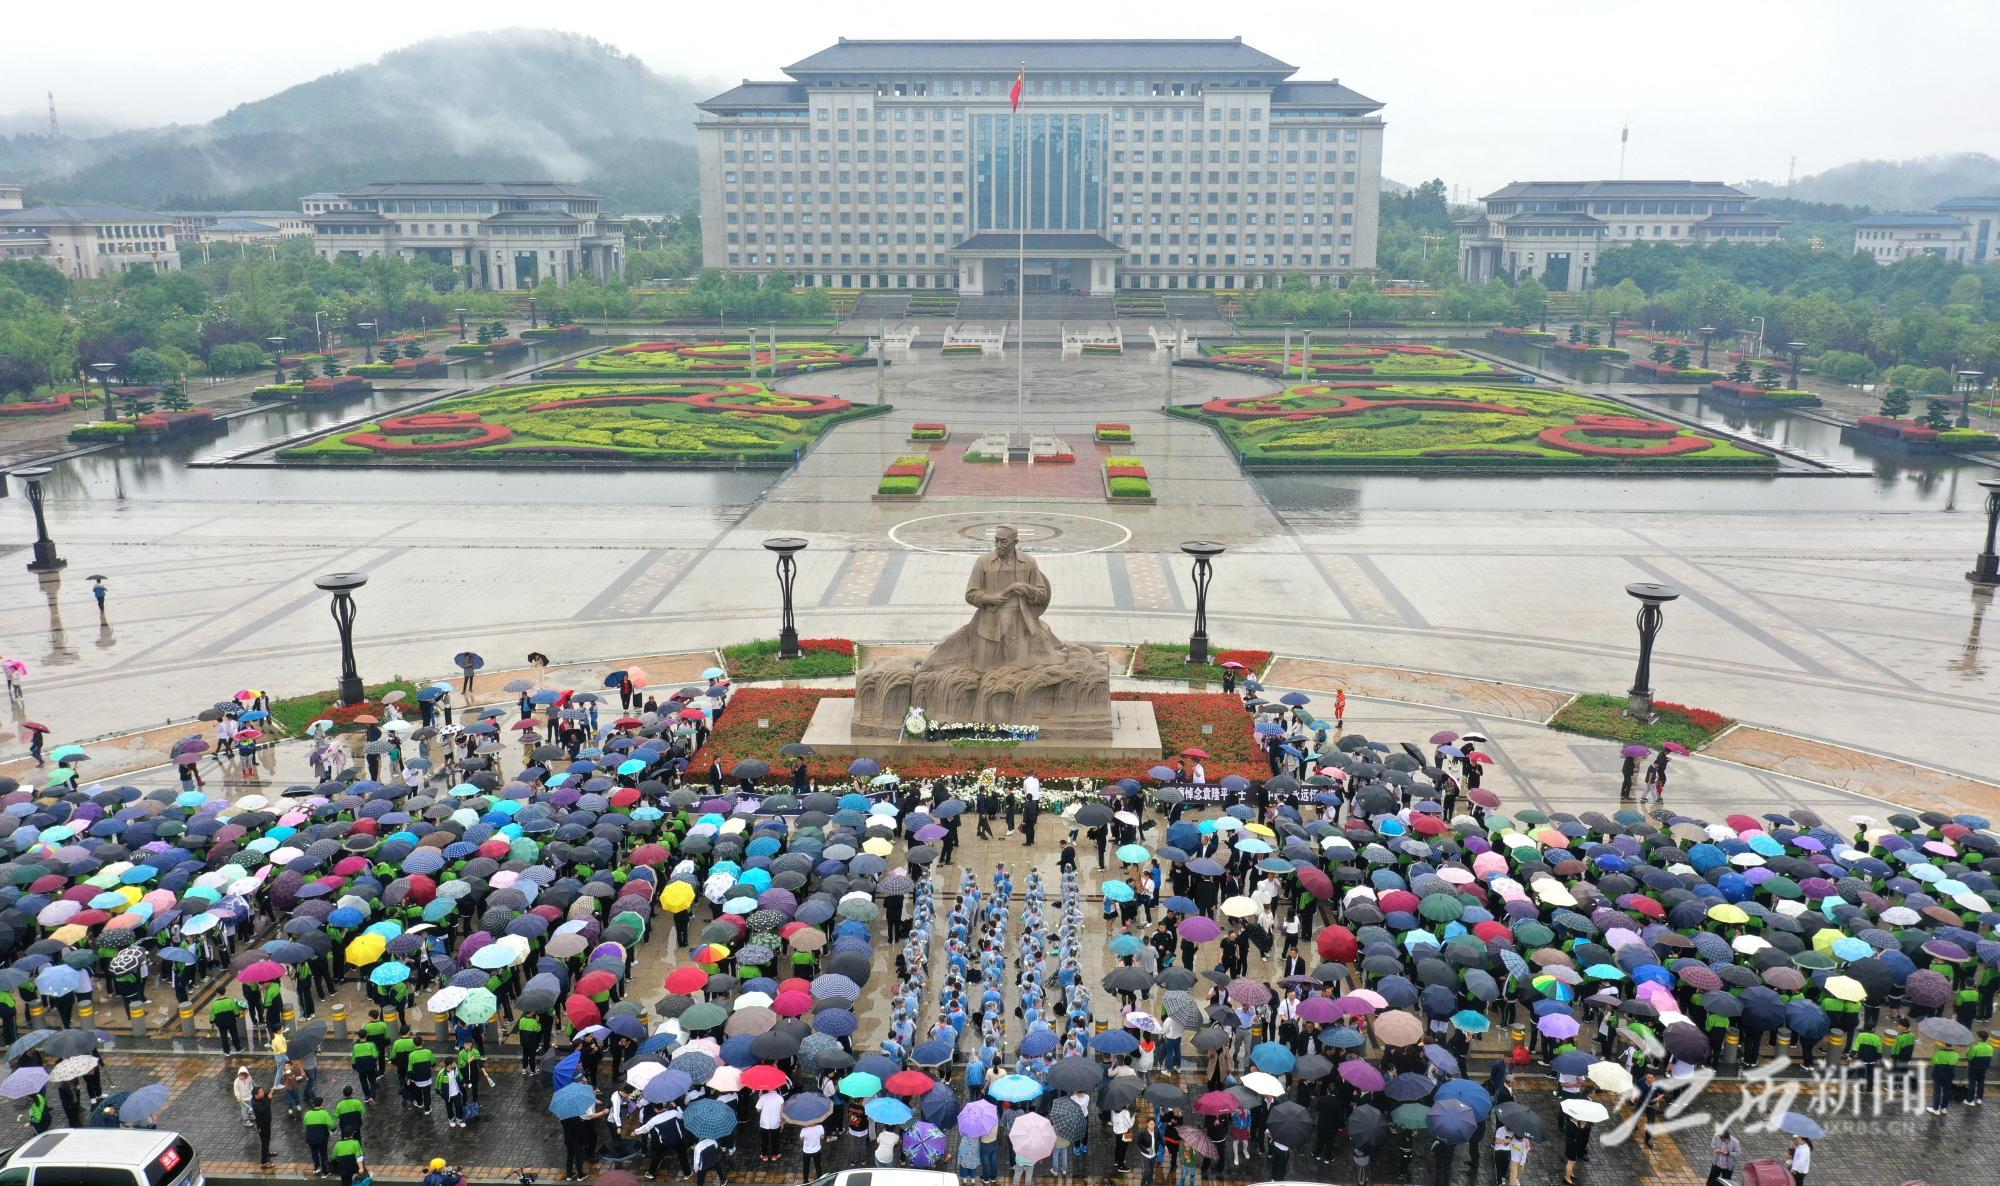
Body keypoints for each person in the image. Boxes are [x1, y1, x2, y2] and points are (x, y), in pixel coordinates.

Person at [250, 1087, 275, 1170]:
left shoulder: (261, 1097)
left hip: (267, 1123)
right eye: (260, 1092)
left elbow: (267, 1095)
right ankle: (264, 1162)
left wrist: (272, 1091)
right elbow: (264, 1109)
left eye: (262, 1091)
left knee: (268, 1139)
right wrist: (270, 1100)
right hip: (262, 1125)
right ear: (256, 1095)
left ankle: (267, 1152)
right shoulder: (255, 1104)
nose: (263, 1093)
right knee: (264, 1142)